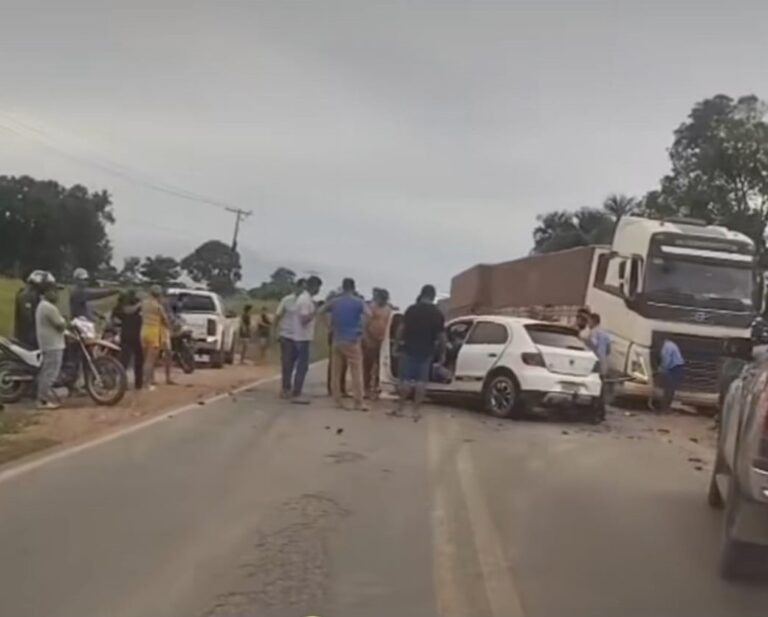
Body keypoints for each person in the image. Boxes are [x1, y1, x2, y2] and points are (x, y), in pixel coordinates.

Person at [392, 284, 445, 420]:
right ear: (433, 297)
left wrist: (396, 345)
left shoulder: (411, 310)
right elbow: (441, 337)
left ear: (421, 294)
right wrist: (442, 354)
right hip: (426, 352)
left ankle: (400, 409)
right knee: (421, 382)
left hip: (408, 349)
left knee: (404, 381)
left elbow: (401, 329)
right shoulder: (437, 314)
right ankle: (416, 411)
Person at [321, 278, 370, 410]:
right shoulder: (358, 302)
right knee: (356, 371)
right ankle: (358, 402)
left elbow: (321, 311)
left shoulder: (335, 301)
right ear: (354, 287)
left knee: (336, 372)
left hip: (337, 338)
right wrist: (361, 329)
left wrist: (329, 327)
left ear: (342, 287)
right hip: (352, 339)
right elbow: (369, 314)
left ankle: (337, 400)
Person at [275, 276, 323, 402]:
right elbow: (300, 320)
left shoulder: (305, 300)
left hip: (296, 335)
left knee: (296, 364)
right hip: (291, 335)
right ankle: (290, 390)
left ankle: (293, 389)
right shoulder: (293, 300)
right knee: (291, 364)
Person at [35, 281, 68, 409]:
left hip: (50, 343)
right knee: (50, 373)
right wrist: (66, 320)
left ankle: (44, 397)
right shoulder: (48, 307)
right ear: (46, 292)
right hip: (53, 344)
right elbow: (60, 325)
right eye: (54, 291)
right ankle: (43, 400)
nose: (57, 294)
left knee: (48, 372)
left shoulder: (43, 306)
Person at [362, 288, 392, 400]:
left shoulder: (388, 309)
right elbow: (365, 324)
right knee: (368, 365)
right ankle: (366, 387)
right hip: (371, 339)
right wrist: (366, 338)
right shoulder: (371, 307)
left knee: (380, 365)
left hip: (383, 341)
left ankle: (376, 386)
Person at [141, 285, 171, 391]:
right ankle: (146, 384)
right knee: (150, 361)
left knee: (145, 360)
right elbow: (165, 320)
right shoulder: (158, 306)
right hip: (153, 332)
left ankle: (145, 382)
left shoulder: (144, 303)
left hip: (144, 330)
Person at [113, 289, 143, 390]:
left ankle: (121, 383)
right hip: (137, 335)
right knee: (138, 360)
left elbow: (115, 320)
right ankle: (138, 384)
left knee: (124, 360)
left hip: (125, 335)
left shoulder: (119, 308)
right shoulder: (139, 307)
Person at [14, 270, 49, 347]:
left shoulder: (37, 296)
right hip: (26, 338)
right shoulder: (26, 296)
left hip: (34, 336)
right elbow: (27, 319)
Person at [657, 338, 685, 412]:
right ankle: (666, 406)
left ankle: (665, 407)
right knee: (670, 388)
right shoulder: (671, 344)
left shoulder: (667, 347)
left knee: (669, 388)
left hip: (674, 368)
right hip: (677, 367)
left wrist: (662, 369)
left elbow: (666, 359)